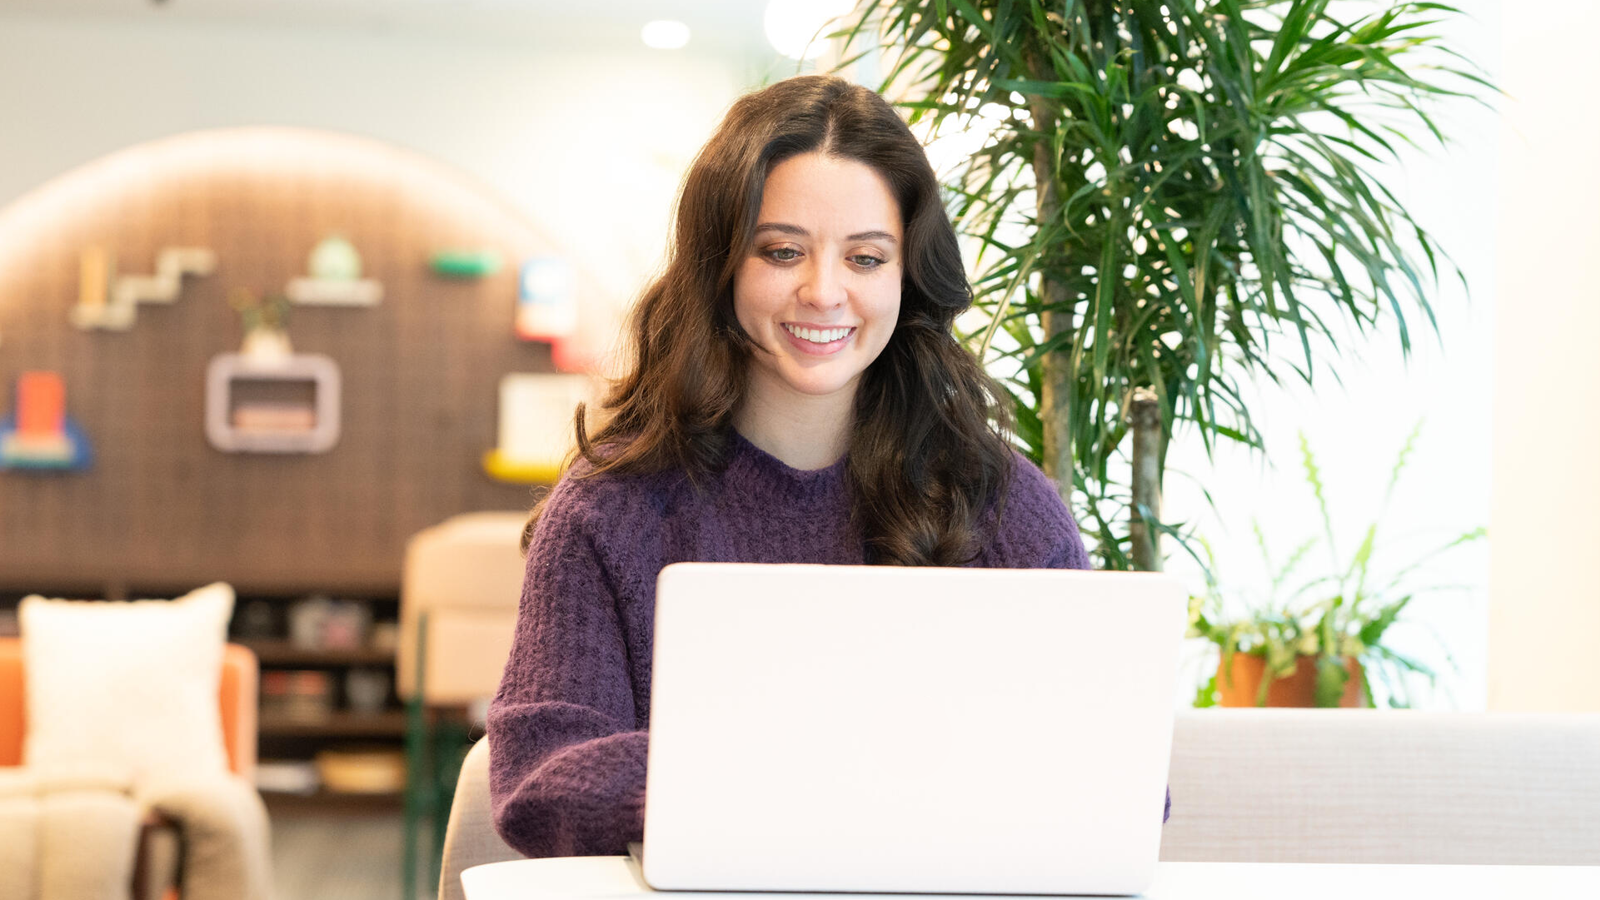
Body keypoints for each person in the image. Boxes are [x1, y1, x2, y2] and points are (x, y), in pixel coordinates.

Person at [487, 74, 1165, 860]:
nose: (825, 291)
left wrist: (767, 778)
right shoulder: (611, 507)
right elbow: (541, 779)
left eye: (866, 257)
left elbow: (1124, 778)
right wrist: (855, 776)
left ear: (908, 276)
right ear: (722, 266)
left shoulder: (1002, 505)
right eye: (782, 251)